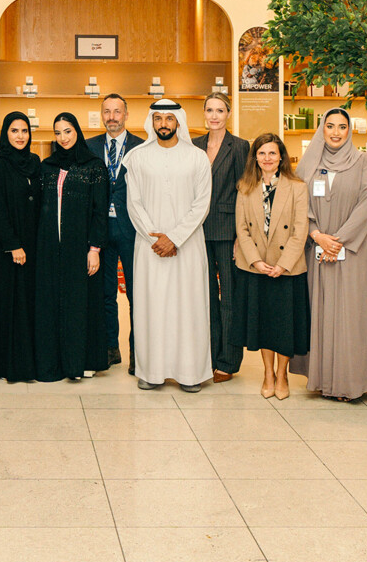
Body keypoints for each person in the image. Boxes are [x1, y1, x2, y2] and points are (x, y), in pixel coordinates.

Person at [291, 108, 367, 401]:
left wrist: (338, 241)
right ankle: (321, 379)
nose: (335, 132)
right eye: (329, 126)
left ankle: (350, 382)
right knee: (320, 311)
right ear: (322, 128)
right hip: (317, 250)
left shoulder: (365, 163)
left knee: (350, 315)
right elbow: (297, 202)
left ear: (350, 130)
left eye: (342, 127)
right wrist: (317, 236)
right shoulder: (308, 164)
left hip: (353, 252)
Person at [123, 99, 212, 392]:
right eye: (158, 118)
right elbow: (133, 204)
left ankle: (190, 373)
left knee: (189, 308)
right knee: (152, 307)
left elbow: (202, 204)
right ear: (152, 122)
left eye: (169, 119)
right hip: (149, 248)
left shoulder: (197, 157)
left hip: (187, 245)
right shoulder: (136, 157)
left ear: (178, 122)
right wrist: (156, 238)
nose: (163, 124)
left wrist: (174, 238)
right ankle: (151, 371)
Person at [232, 134, 310, 400]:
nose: (267, 158)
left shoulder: (297, 187)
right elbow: (241, 229)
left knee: (284, 325)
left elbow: (300, 231)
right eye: (262, 153)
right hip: (257, 267)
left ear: (281, 157)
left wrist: (284, 265)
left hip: (286, 269)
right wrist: (255, 260)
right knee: (263, 324)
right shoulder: (244, 187)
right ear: (255, 157)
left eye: (272, 154)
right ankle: (268, 373)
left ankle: (283, 374)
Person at [35, 112, 108, 382]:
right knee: (53, 304)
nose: (63, 138)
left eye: (67, 131)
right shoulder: (47, 166)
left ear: (77, 131)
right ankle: (54, 362)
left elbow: (100, 212)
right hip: (50, 249)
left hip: (81, 249)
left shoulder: (93, 166)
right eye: (57, 132)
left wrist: (95, 249)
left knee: (79, 305)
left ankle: (81, 361)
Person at [192, 92, 250, 383]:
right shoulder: (193, 145)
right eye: (210, 110)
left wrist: (242, 236)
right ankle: (209, 356)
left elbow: (245, 192)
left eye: (220, 110)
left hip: (228, 231)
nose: (214, 115)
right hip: (197, 231)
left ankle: (228, 361)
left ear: (228, 113)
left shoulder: (240, 147)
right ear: (204, 113)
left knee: (229, 297)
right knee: (204, 298)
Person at [87, 94, 144, 373]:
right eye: (107, 111)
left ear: (126, 115)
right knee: (104, 293)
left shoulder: (143, 147)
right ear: (102, 115)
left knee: (137, 293)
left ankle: (139, 353)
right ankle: (110, 349)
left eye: (117, 111)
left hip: (132, 229)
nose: (112, 116)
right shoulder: (89, 147)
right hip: (99, 230)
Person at [0, 112, 40, 383]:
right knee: (7, 305)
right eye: (14, 130)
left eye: (24, 131)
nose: (20, 136)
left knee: (27, 306)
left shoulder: (35, 162)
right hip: (7, 248)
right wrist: (13, 245)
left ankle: (26, 365)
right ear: (6, 133)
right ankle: (4, 367)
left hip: (32, 244)